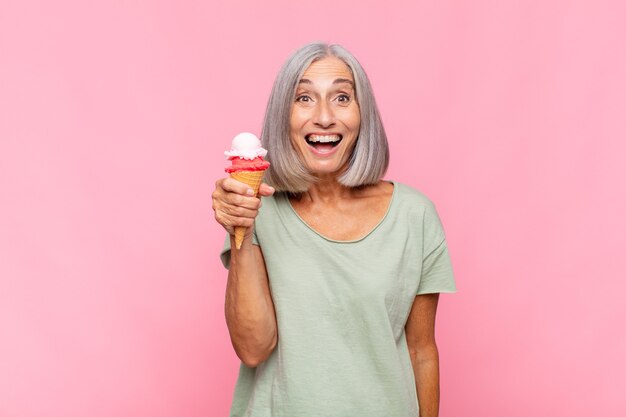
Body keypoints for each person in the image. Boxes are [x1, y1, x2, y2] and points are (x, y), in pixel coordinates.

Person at [212, 42, 456, 417]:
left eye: (342, 97)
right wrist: (240, 225)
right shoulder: (260, 210)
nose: (324, 117)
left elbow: (421, 350)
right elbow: (253, 348)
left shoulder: (414, 216)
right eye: (304, 98)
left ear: (363, 115)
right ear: (284, 115)